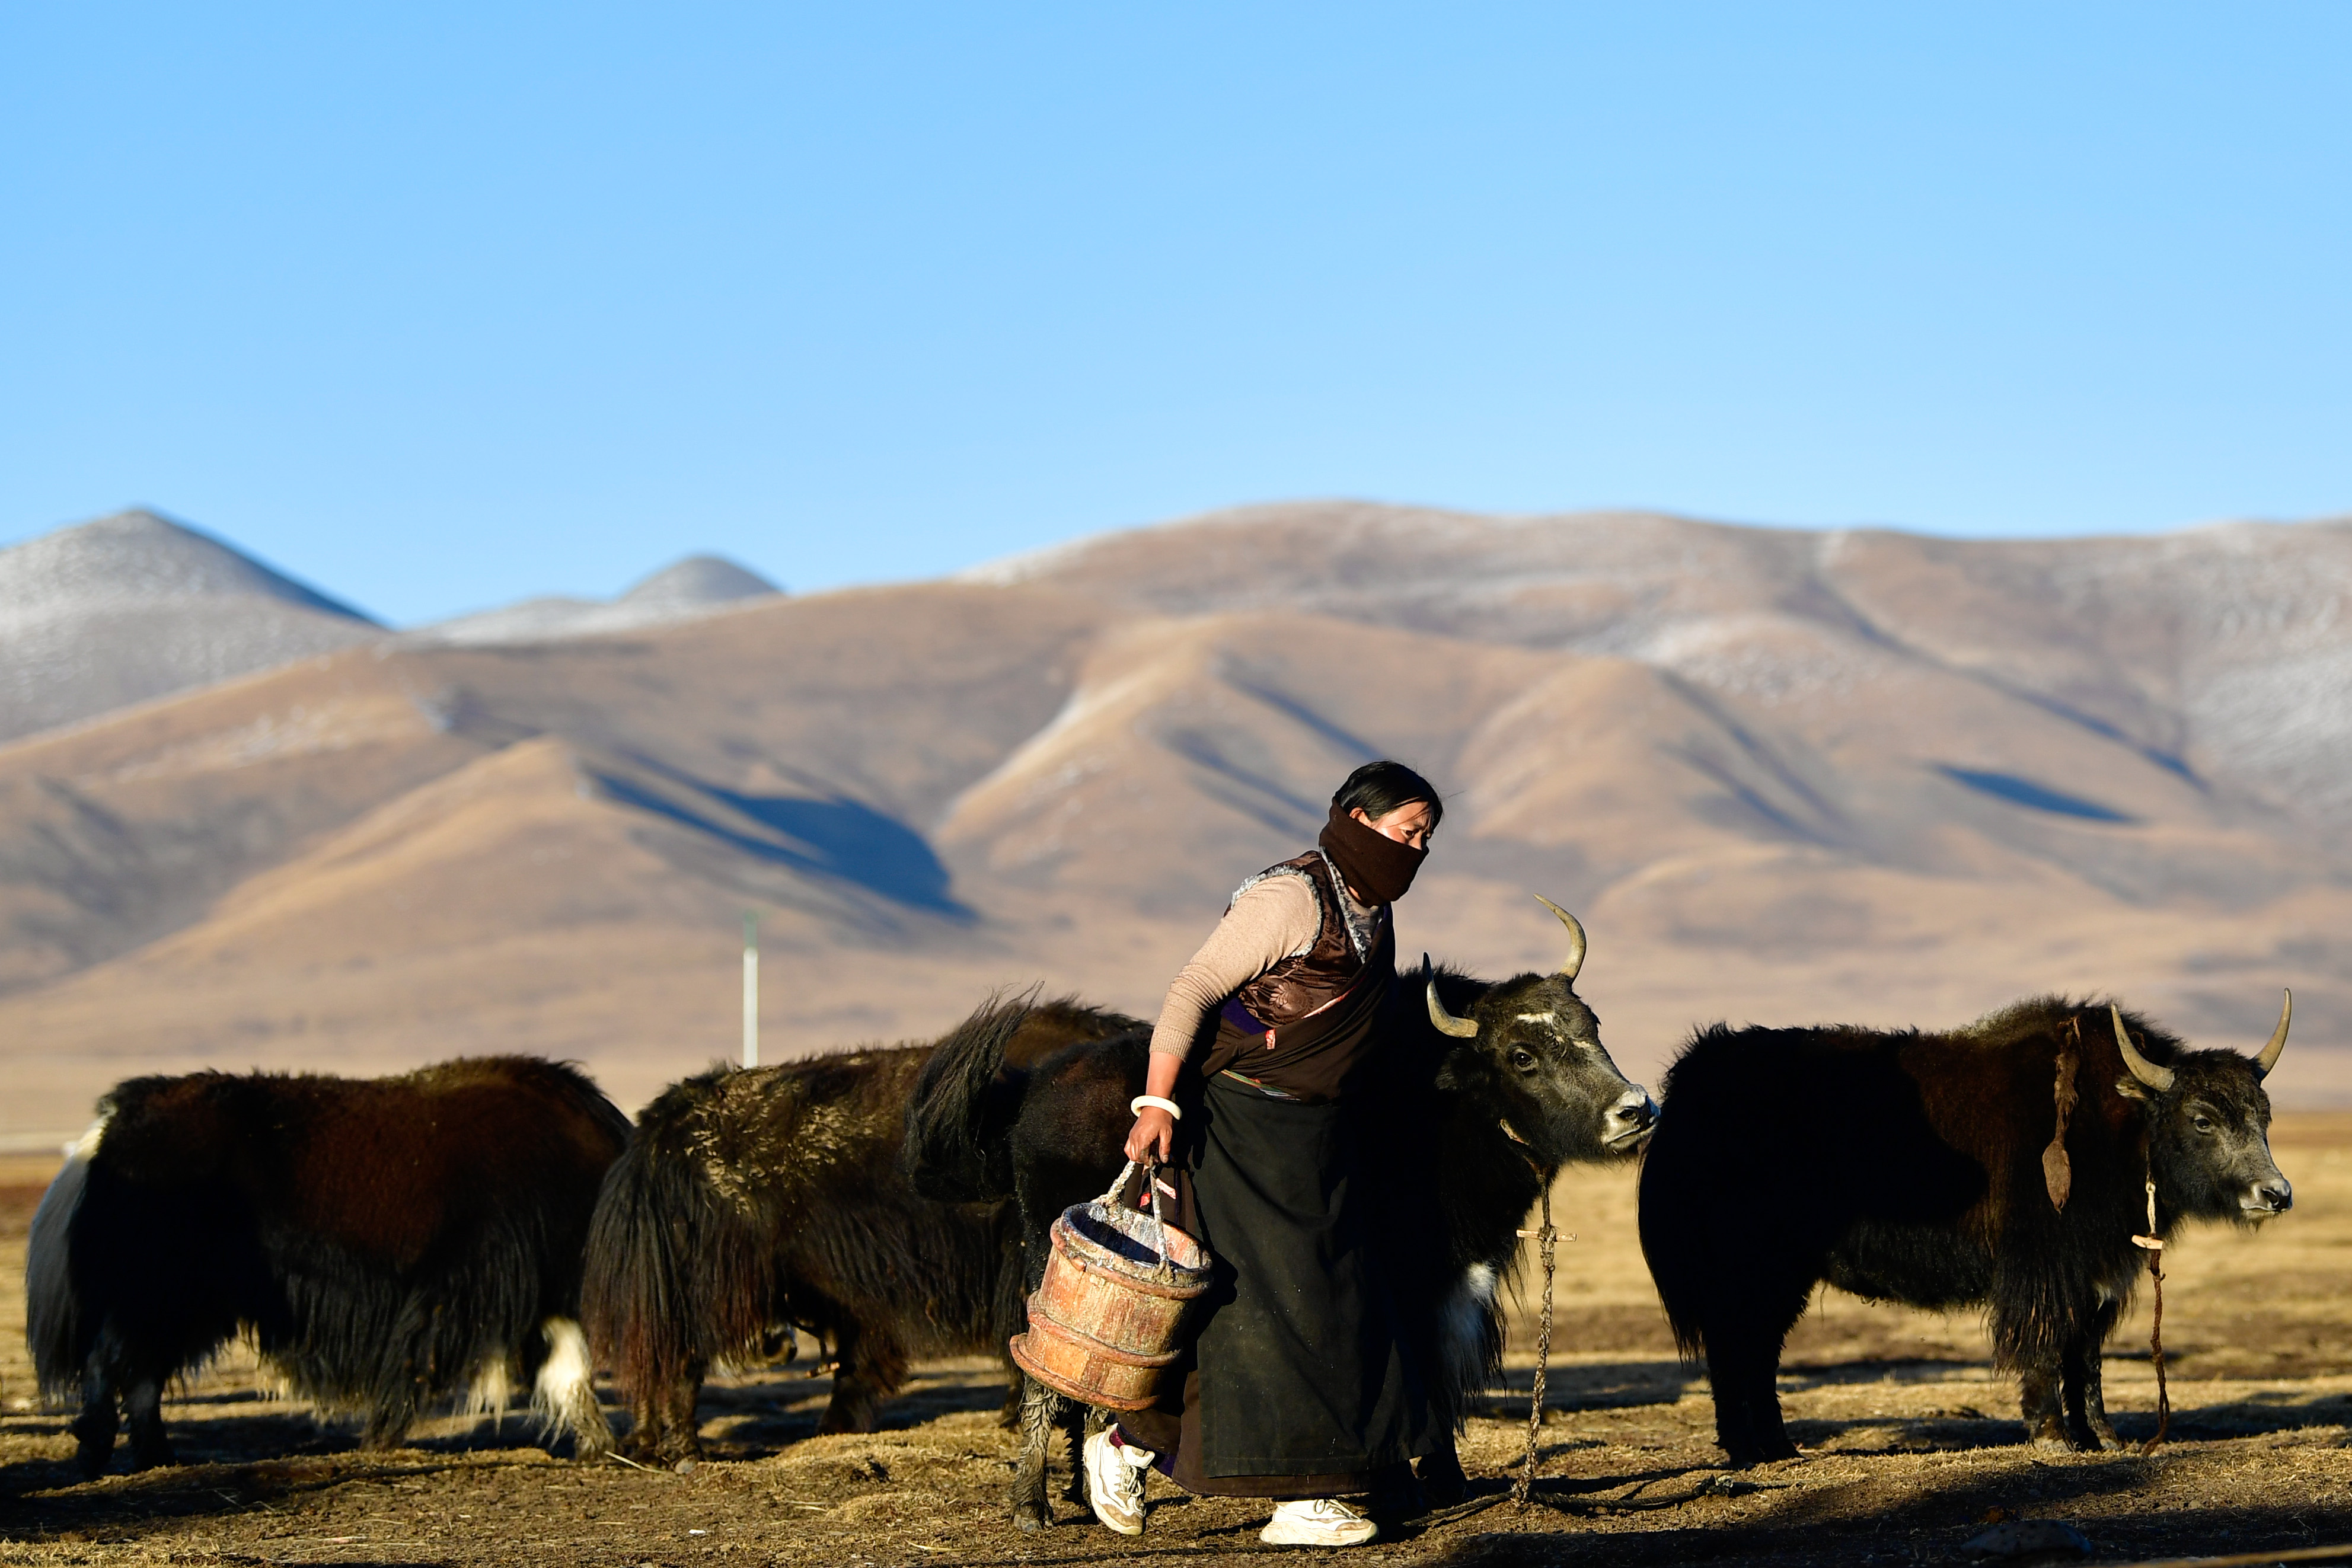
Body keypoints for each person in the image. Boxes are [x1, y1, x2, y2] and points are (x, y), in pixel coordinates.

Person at [1083, 759, 1443, 1548]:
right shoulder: (1291, 897)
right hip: (1240, 1127)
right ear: (1356, 818)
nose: (1418, 848)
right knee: (1277, 1304)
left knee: (1341, 1296)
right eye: (1407, 830)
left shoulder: (1369, 909)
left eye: (1427, 837)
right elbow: (1194, 988)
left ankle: (1348, 1468)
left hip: (1317, 1136)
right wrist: (1156, 1101)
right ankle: (1295, 1498)